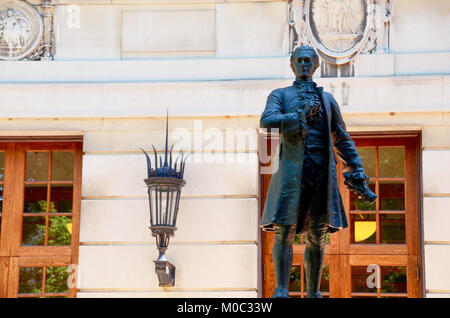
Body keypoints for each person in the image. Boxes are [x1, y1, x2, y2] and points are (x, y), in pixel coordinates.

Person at [260, 45, 376, 298]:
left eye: (308, 61)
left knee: (317, 234)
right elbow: (267, 121)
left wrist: (356, 169)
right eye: (299, 60)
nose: (303, 64)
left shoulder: (328, 100)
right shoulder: (280, 95)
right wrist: (298, 114)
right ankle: (281, 289)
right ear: (292, 65)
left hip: (321, 174)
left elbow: (342, 138)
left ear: (315, 66)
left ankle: (313, 292)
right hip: (292, 173)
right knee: (285, 230)